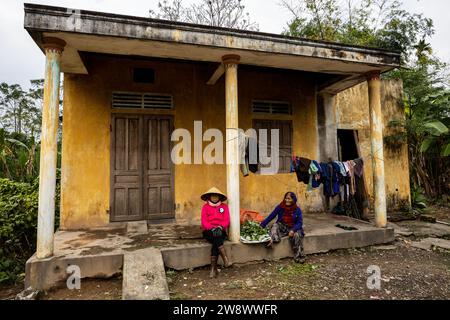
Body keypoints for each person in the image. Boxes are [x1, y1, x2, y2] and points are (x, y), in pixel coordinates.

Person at [260, 191, 306, 263]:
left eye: (289, 199)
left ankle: (299, 256)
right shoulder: (280, 207)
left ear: (293, 200)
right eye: (286, 198)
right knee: (275, 225)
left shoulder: (297, 210)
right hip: (283, 226)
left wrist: (293, 230)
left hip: (293, 228)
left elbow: (300, 223)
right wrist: (261, 225)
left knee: (297, 235)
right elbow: (271, 216)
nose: (286, 200)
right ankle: (272, 239)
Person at [200, 187, 232, 278]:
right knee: (216, 237)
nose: (214, 198)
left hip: (220, 230)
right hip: (208, 231)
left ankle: (213, 270)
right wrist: (211, 228)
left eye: (216, 196)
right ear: (209, 197)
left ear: (219, 197)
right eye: (212, 196)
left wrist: (220, 227)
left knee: (216, 240)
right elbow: (204, 221)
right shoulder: (205, 207)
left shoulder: (224, 207)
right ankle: (225, 259)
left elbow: (227, 220)